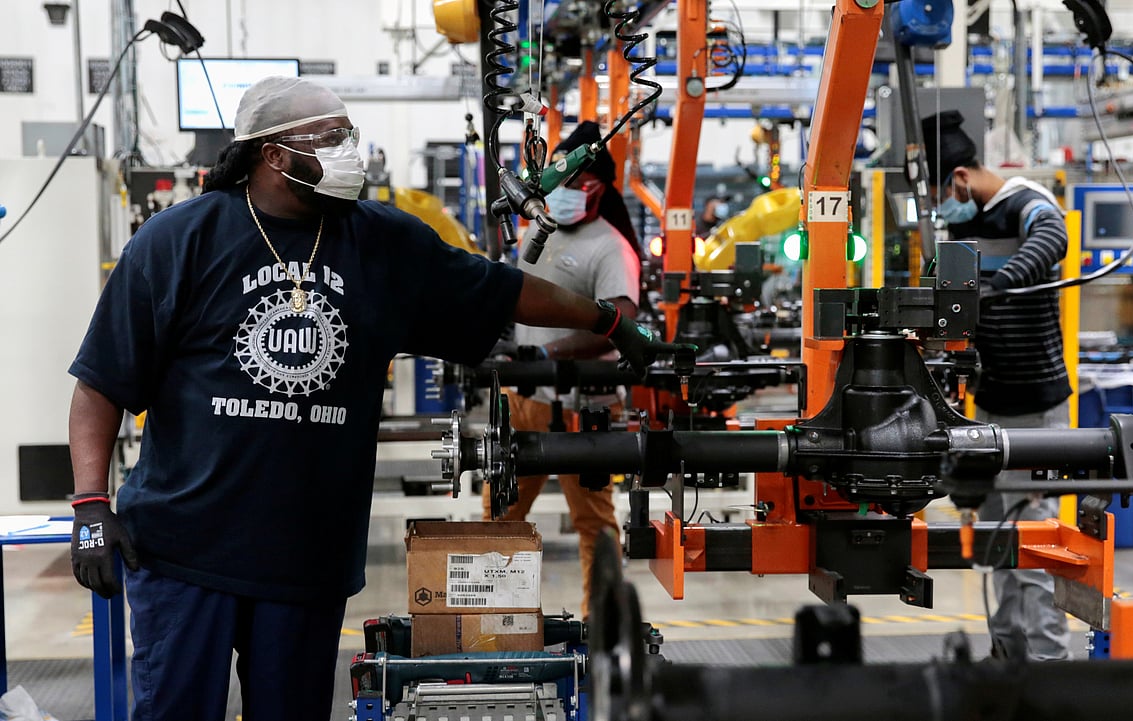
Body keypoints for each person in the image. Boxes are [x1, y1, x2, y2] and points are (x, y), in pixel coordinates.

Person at [67, 77, 676, 720]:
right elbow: (101, 383)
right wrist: (88, 505)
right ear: (272, 154)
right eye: (329, 137)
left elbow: (502, 289)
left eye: (347, 133)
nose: (346, 149)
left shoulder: (382, 245)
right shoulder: (177, 242)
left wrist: (609, 320)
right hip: (184, 554)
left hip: (308, 561)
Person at [922, 109, 1073, 661]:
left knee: (1034, 548)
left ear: (961, 179)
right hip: (986, 410)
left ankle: (1049, 664)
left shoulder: (1024, 199)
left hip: (1036, 413)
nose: (941, 209)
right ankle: (1007, 656)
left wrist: (997, 288)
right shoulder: (962, 225)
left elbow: (1051, 236)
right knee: (996, 547)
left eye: (941, 193)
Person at [485, 121, 642, 619]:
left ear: (597, 185)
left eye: (574, 181)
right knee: (499, 517)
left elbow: (621, 324)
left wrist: (552, 356)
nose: (564, 190)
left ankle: (602, 631)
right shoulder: (539, 228)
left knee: (594, 524)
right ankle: (499, 625)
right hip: (525, 401)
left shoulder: (611, 246)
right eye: (559, 181)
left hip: (585, 406)